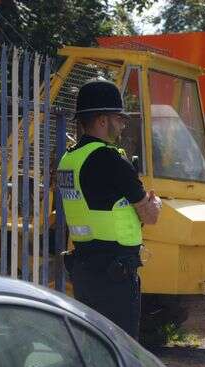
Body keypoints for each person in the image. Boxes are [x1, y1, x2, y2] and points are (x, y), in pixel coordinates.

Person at [57, 79, 161, 339]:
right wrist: (155, 203)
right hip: (115, 273)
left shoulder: (68, 160)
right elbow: (150, 215)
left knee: (94, 347)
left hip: (83, 269)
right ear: (102, 120)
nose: (123, 124)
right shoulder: (111, 160)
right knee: (121, 351)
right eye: (119, 118)